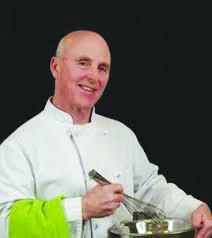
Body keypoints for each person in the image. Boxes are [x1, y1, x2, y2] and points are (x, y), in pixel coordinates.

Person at [0, 30, 212, 238]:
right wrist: (81, 208)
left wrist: (193, 208)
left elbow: (149, 188)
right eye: (83, 63)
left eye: (102, 68)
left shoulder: (121, 135)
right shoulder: (19, 145)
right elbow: (5, 223)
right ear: (56, 67)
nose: (93, 76)